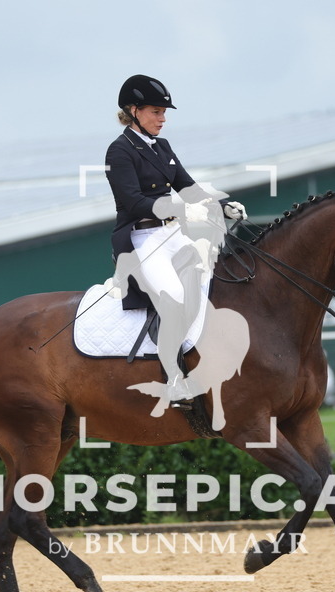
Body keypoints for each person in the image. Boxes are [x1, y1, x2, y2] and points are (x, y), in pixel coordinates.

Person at [105, 74, 247, 405]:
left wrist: (222, 206)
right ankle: (173, 380)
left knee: (218, 286)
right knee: (173, 302)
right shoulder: (119, 151)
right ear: (135, 110)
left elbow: (189, 187)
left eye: (164, 113)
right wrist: (182, 209)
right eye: (156, 112)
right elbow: (132, 202)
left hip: (172, 234)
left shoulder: (163, 148)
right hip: (142, 239)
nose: (163, 119)